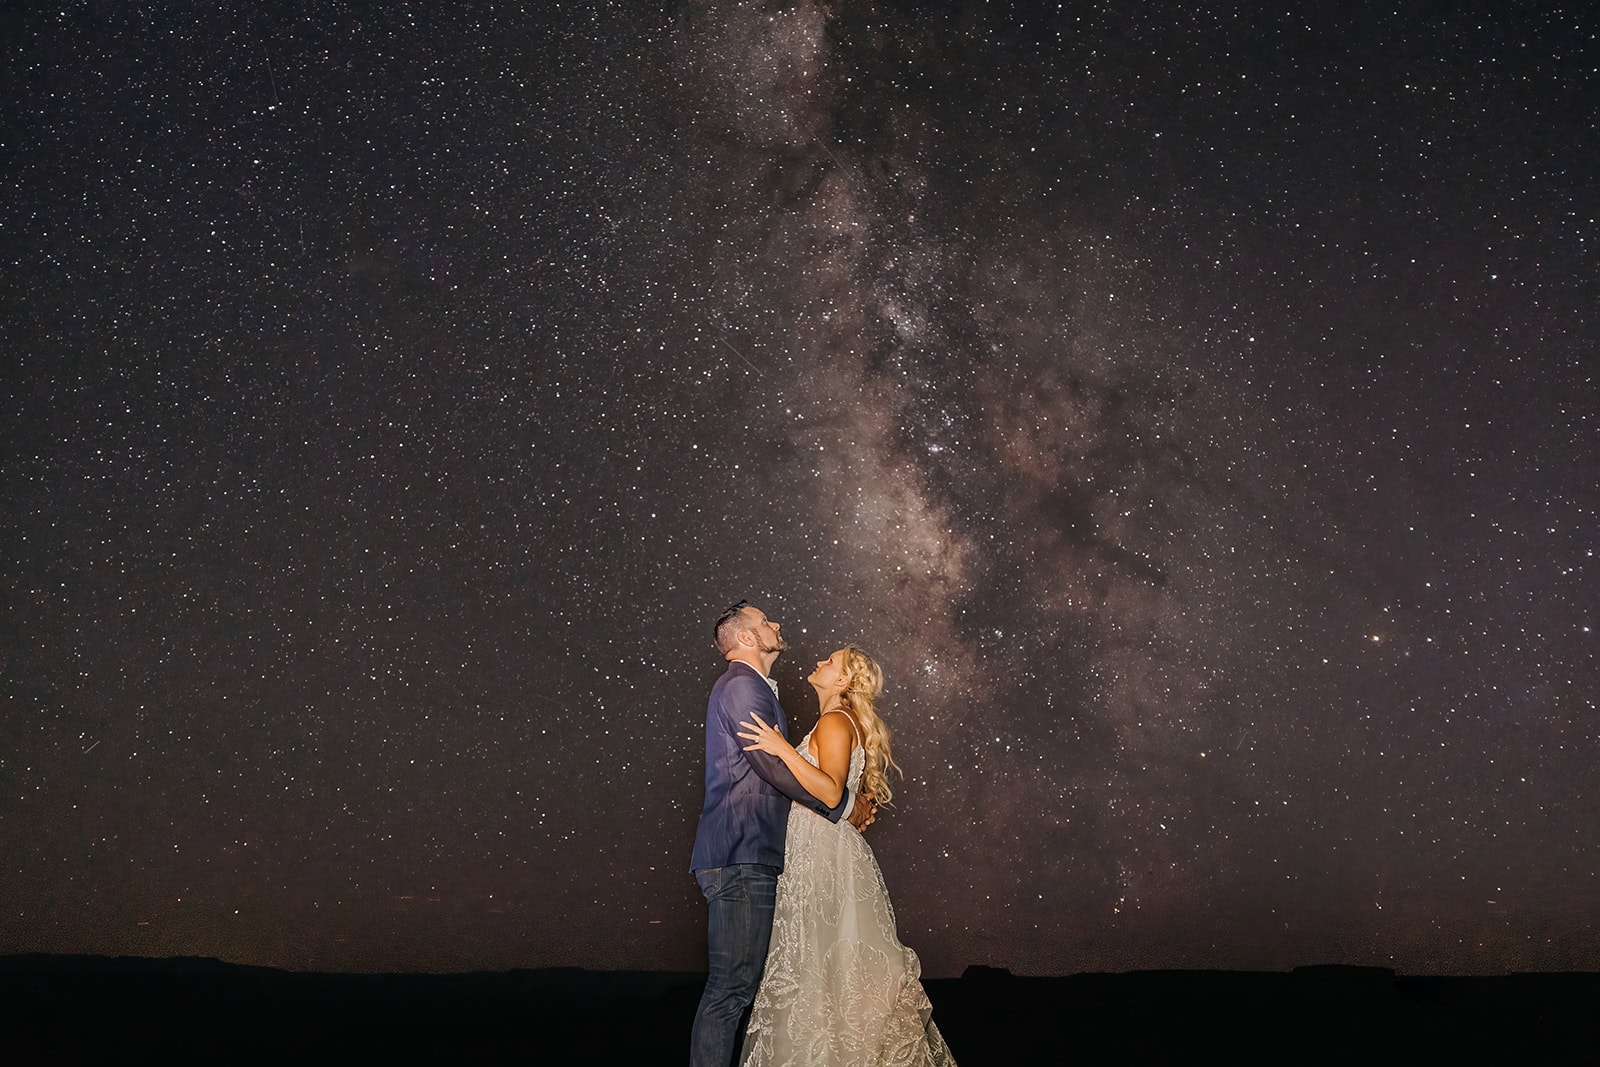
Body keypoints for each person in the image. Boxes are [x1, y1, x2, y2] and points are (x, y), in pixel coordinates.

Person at [735, 645, 956, 1066]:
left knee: (824, 962)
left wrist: (781, 748)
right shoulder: (833, 722)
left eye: (830, 662)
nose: (820, 662)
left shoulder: (835, 721)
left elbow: (831, 790)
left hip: (822, 851)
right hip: (813, 846)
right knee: (817, 966)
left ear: (842, 681)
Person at [690, 601, 876, 1067]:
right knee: (731, 988)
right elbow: (771, 765)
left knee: (740, 986)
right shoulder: (741, 686)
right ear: (748, 639)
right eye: (765, 622)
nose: (776, 625)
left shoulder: (753, 689)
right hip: (741, 853)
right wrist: (844, 805)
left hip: (751, 854)